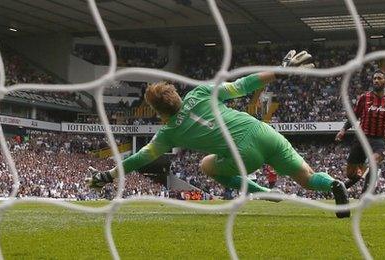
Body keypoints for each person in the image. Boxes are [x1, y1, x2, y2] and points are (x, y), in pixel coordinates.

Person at [87, 50, 350, 218]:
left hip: (243, 155)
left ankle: (258, 192)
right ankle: (333, 184)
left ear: (156, 110)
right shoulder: (201, 92)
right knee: (307, 178)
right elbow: (243, 85)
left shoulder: (168, 133)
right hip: (262, 131)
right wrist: (279, 71)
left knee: (206, 165)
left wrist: (108, 175)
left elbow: (140, 158)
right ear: (176, 95)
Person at [335, 70, 385, 193]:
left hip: (380, 140)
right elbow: (354, 116)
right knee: (351, 174)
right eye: (374, 78)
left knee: (374, 162)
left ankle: (364, 195)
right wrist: (343, 130)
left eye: (379, 78)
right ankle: (348, 184)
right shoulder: (365, 97)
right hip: (362, 138)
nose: (376, 80)